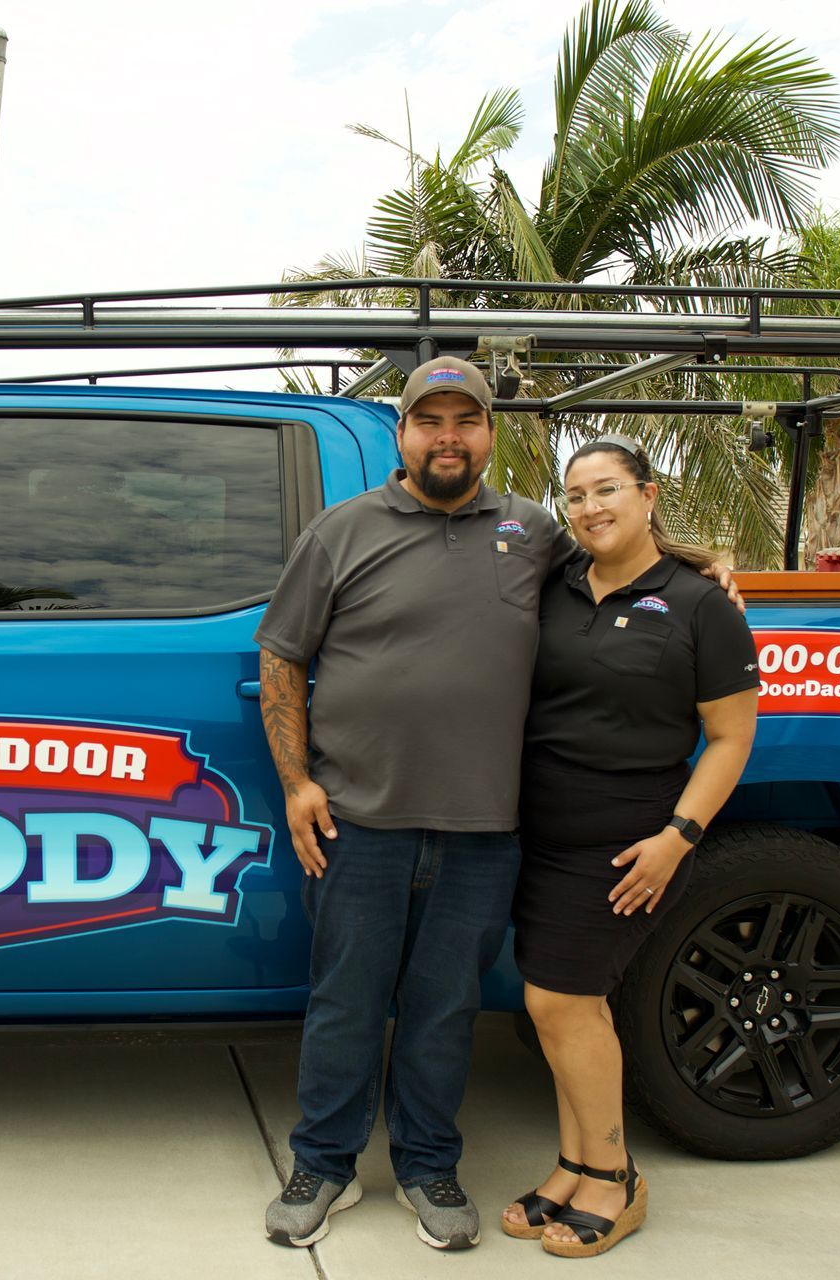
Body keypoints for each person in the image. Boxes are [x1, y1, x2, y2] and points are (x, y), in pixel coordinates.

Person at [255, 356, 578, 1251]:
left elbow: (616, 576)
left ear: (488, 434)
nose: (448, 437)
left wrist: (703, 566)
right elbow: (281, 654)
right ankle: (323, 1162)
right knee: (346, 1003)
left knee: (444, 1008)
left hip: (484, 829)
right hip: (358, 823)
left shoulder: (533, 532)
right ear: (401, 435)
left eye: (464, 420)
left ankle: (428, 1163)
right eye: (429, 420)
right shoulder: (342, 531)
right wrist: (297, 783)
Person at [499, 435, 759, 1258]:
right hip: (538, 830)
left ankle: (616, 1180)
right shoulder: (557, 586)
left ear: (648, 495)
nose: (589, 508)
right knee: (562, 1004)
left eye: (606, 489)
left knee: (561, 1003)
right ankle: (575, 1163)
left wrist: (677, 841)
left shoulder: (700, 603)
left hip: (624, 842)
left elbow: (728, 738)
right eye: (574, 495)